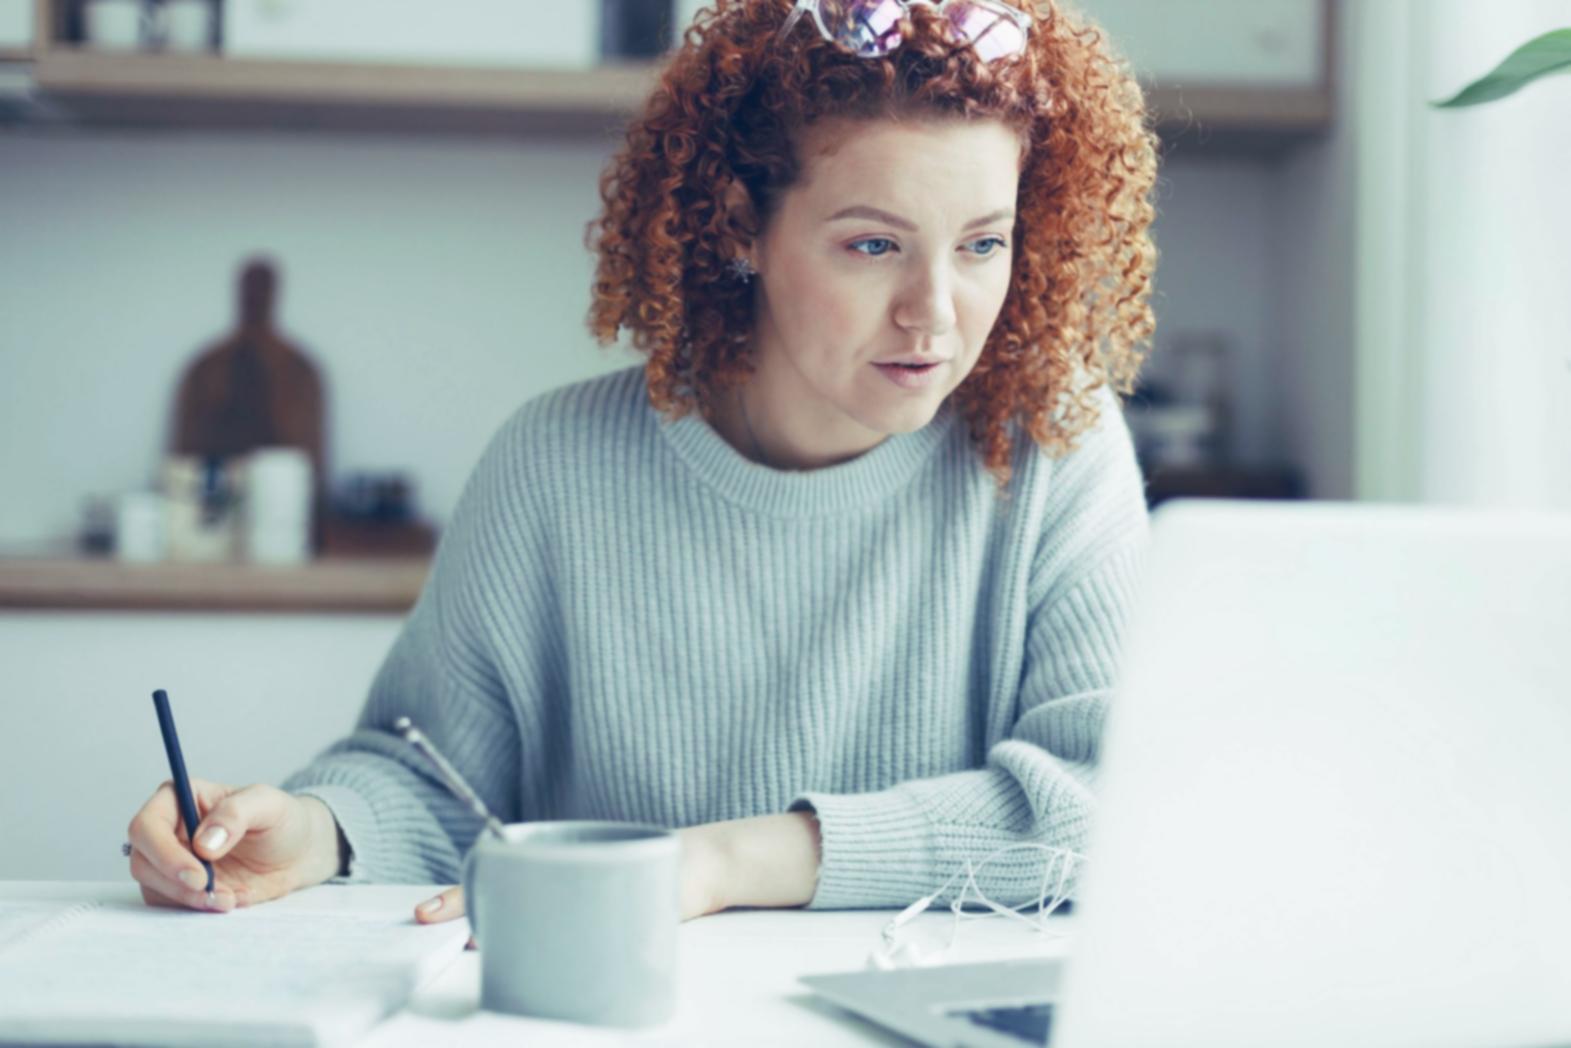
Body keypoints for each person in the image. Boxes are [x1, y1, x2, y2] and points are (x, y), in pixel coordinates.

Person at [124, 0, 1158, 928]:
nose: (934, 312)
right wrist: (316, 830)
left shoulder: (1056, 448)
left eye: (982, 245)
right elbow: (432, 778)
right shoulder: (555, 467)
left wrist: (722, 862)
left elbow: (1105, 807)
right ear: (742, 227)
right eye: (872, 246)